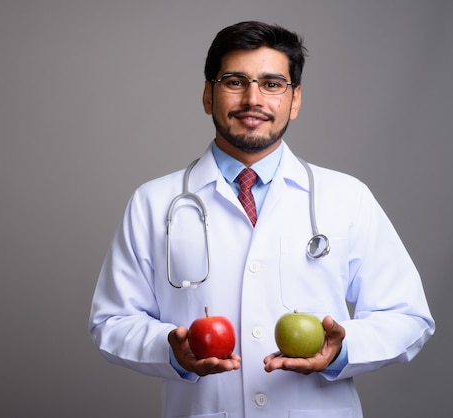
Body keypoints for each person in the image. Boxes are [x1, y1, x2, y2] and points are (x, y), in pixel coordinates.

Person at [88, 21, 435, 417]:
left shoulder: (347, 197)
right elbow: (112, 322)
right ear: (208, 94)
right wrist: (170, 348)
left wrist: (343, 348)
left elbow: (408, 317)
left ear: (295, 99)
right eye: (235, 81)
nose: (253, 99)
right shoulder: (154, 202)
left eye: (272, 84)